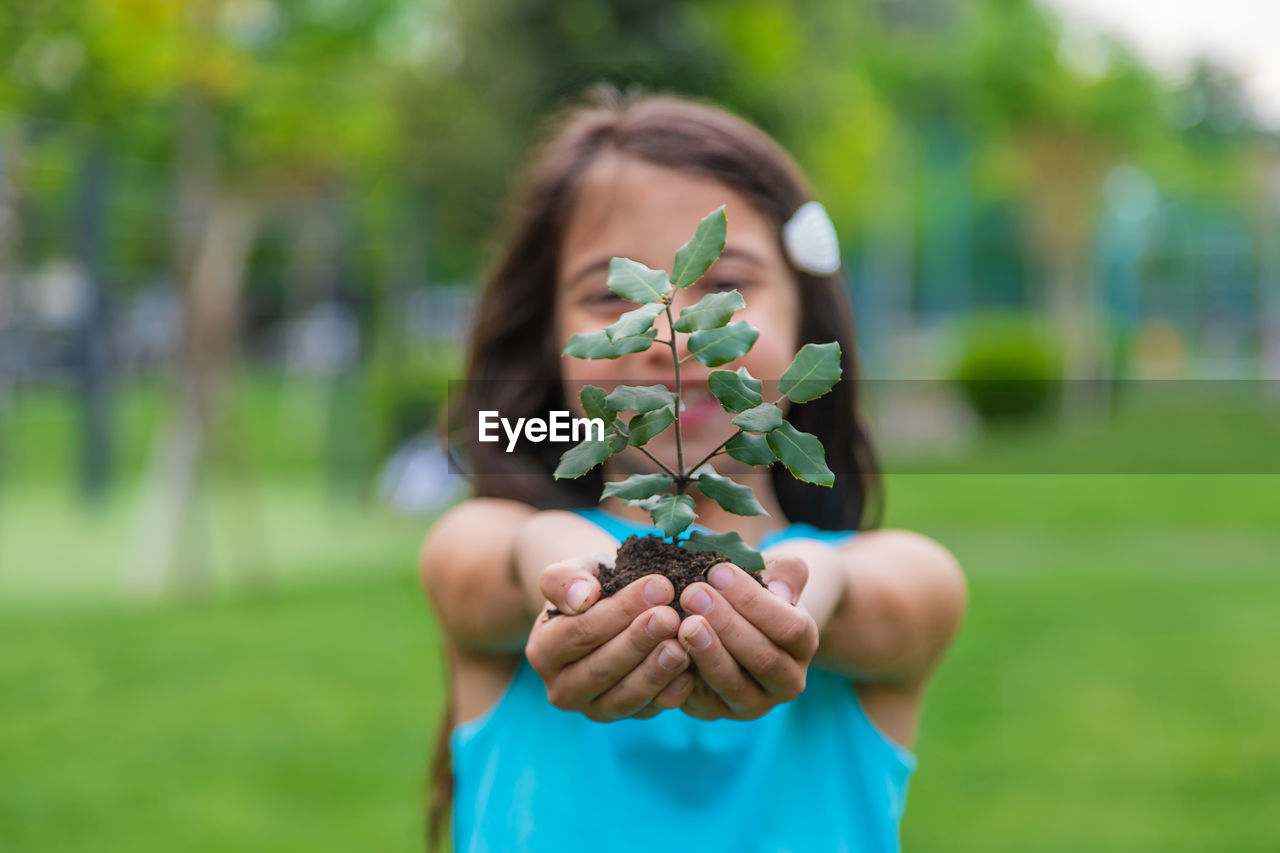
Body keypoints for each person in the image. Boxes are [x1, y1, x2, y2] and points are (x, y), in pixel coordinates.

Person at [420, 84, 968, 853]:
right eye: (612, 294)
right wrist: (570, 575)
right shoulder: (484, 540)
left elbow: (877, 595)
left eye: (723, 285)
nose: (663, 333)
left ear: (806, 318)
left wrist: (796, 587)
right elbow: (502, 565)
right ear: (547, 342)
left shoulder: (898, 579)